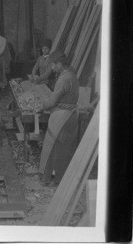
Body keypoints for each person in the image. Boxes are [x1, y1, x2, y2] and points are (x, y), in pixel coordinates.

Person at [37, 51, 79, 186]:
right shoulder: (71, 74)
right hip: (71, 115)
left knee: (51, 147)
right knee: (64, 149)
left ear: (59, 64)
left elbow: (51, 103)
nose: (52, 68)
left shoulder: (63, 79)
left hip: (62, 116)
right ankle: (61, 179)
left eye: (53, 66)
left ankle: (47, 179)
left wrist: (42, 103)